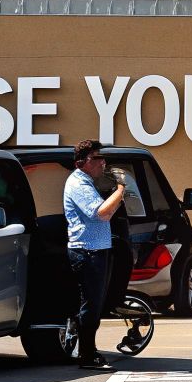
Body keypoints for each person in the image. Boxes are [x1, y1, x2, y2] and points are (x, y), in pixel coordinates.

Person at [65, 140, 126, 370]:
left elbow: (107, 213)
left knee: (94, 304)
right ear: (82, 163)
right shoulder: (78, 183)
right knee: (90, 306)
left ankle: (88, 351)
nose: (103, 162)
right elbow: (101, 212)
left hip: (95, 250)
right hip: (87, 252)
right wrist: (120, 188)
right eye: (96, 158)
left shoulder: (87, 182)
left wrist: (117, 196)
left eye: (102, 158)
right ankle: (87, 355)